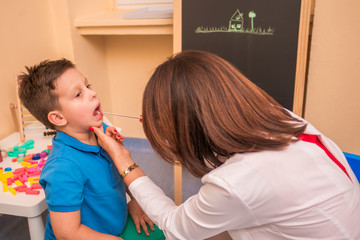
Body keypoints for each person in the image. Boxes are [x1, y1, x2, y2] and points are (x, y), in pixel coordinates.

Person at [91, 50, 360, 240]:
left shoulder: (236, 183)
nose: (91, 96)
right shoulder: (277, 117)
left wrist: (125, 162)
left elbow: (176, 228)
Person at [18, 59, 164, 240]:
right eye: (78, 94)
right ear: (58, 117)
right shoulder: (62, 168)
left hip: (114, 226)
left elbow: (122, 169)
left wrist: (135, 200)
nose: (93, 93)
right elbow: (67, 233)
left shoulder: (102, 132)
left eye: (88, 86)